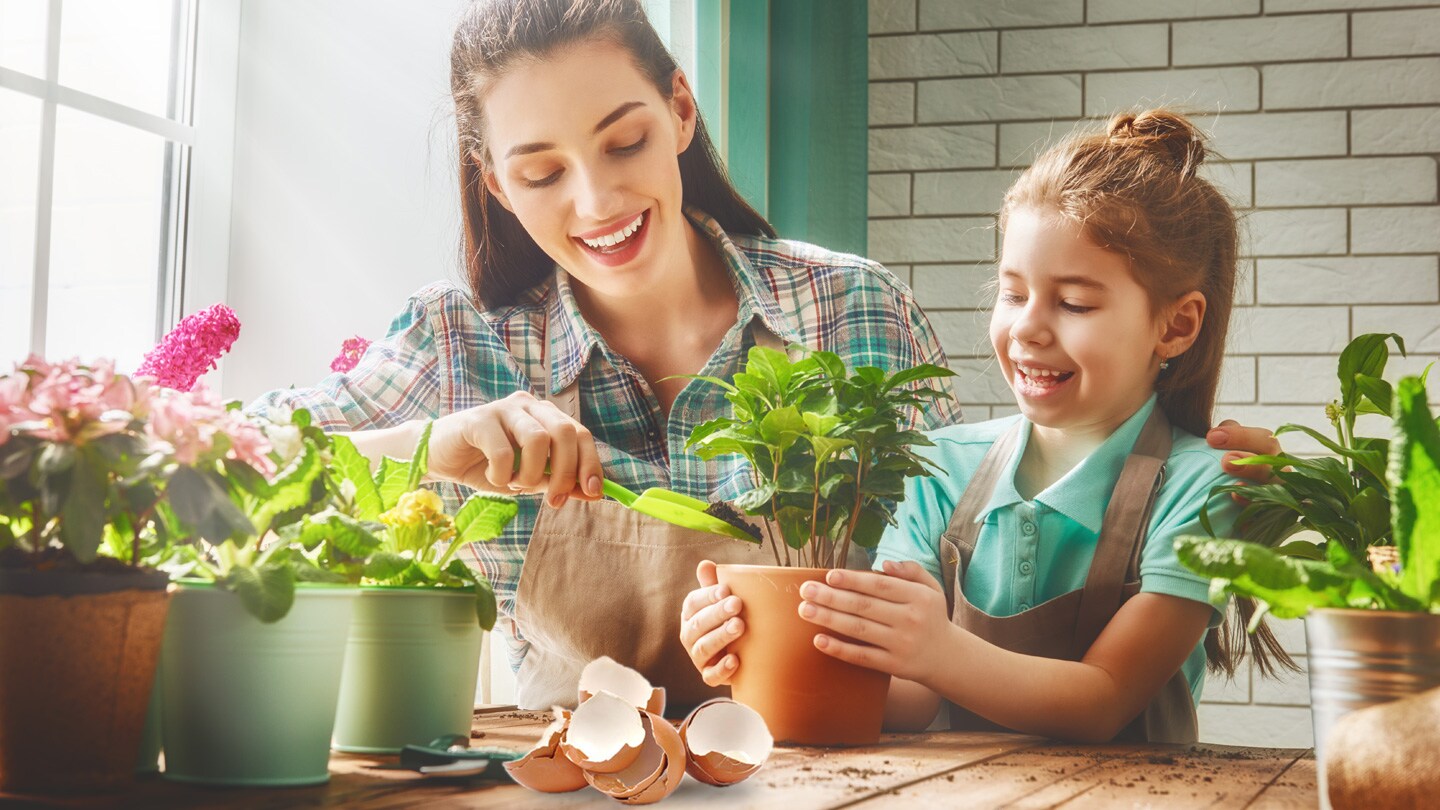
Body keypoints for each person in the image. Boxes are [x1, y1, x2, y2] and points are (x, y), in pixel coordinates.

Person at [252, 1, 1281, 713]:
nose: (596, 202)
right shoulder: (459, 343)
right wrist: (431, 440)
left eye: (623, 142)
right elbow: (222, 467)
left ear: (680, 112)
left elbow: (977, 574)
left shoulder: (851, 313)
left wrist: (1181, 467)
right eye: (541, 170)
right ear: (495, 182)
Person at [681, 110, 1292, 743]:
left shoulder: (1206, 488)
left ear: (1176, 326)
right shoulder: (938, 466)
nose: (1027, 327)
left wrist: (939, 649)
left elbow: (1105, 699)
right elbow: (910, 698)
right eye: (1012, 292)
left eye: (1075, 303)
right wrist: (751, 645)